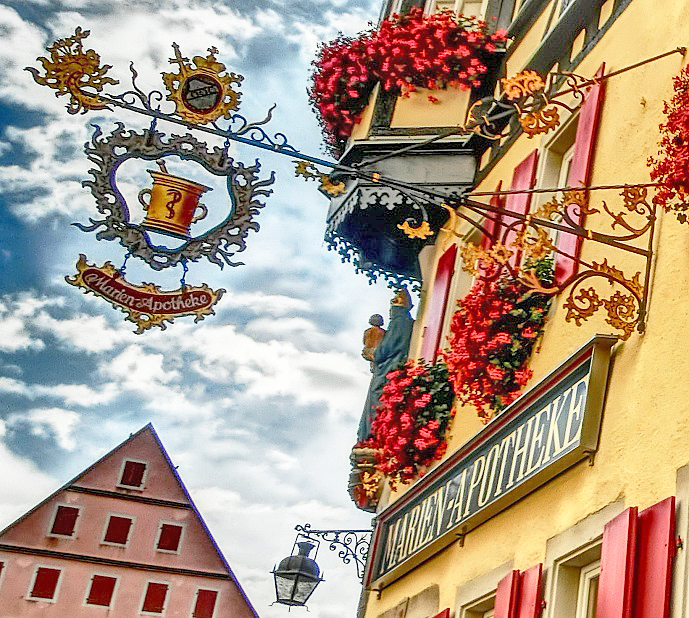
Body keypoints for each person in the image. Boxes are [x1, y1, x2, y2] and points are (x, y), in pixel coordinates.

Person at [357, 288, 414, 443]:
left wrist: (374, 353)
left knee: (377, 399)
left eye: (392, 308)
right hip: (390, 366)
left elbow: (389, 346)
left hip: (389, 368)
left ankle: (371, 434)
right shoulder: (402, 322)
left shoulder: (399, 322)